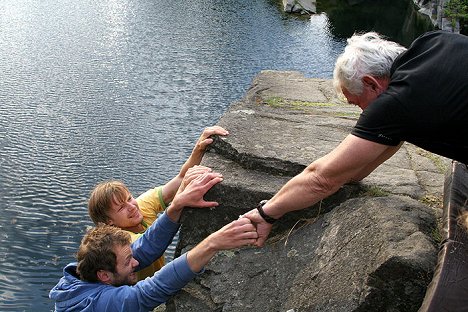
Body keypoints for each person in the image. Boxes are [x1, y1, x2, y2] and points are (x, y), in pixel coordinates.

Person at [243, 30, 468, 246]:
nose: (363, 112)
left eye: (358, 102)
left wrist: (267, 213)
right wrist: (348, 168)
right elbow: (360, 168)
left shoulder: (395, 103)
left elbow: (322, 179)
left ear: (372, 83)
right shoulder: (433, 41)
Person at [49, 171, 258, 311]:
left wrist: (176, 206)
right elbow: (151, 290)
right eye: (128, 261)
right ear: (104, 276)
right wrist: (213, 243)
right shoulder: (101, 304)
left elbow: (144, 249)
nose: (136, 263)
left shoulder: (83, 273)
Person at [88, 126, 228, 280]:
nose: (132, 207)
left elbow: (180, 180)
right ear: (110, 223)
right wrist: (179, 200)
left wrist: (199, 148)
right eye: (121, 208)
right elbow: (147, 246)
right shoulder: (118, 242)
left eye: (129, 198)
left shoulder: (140, 206)